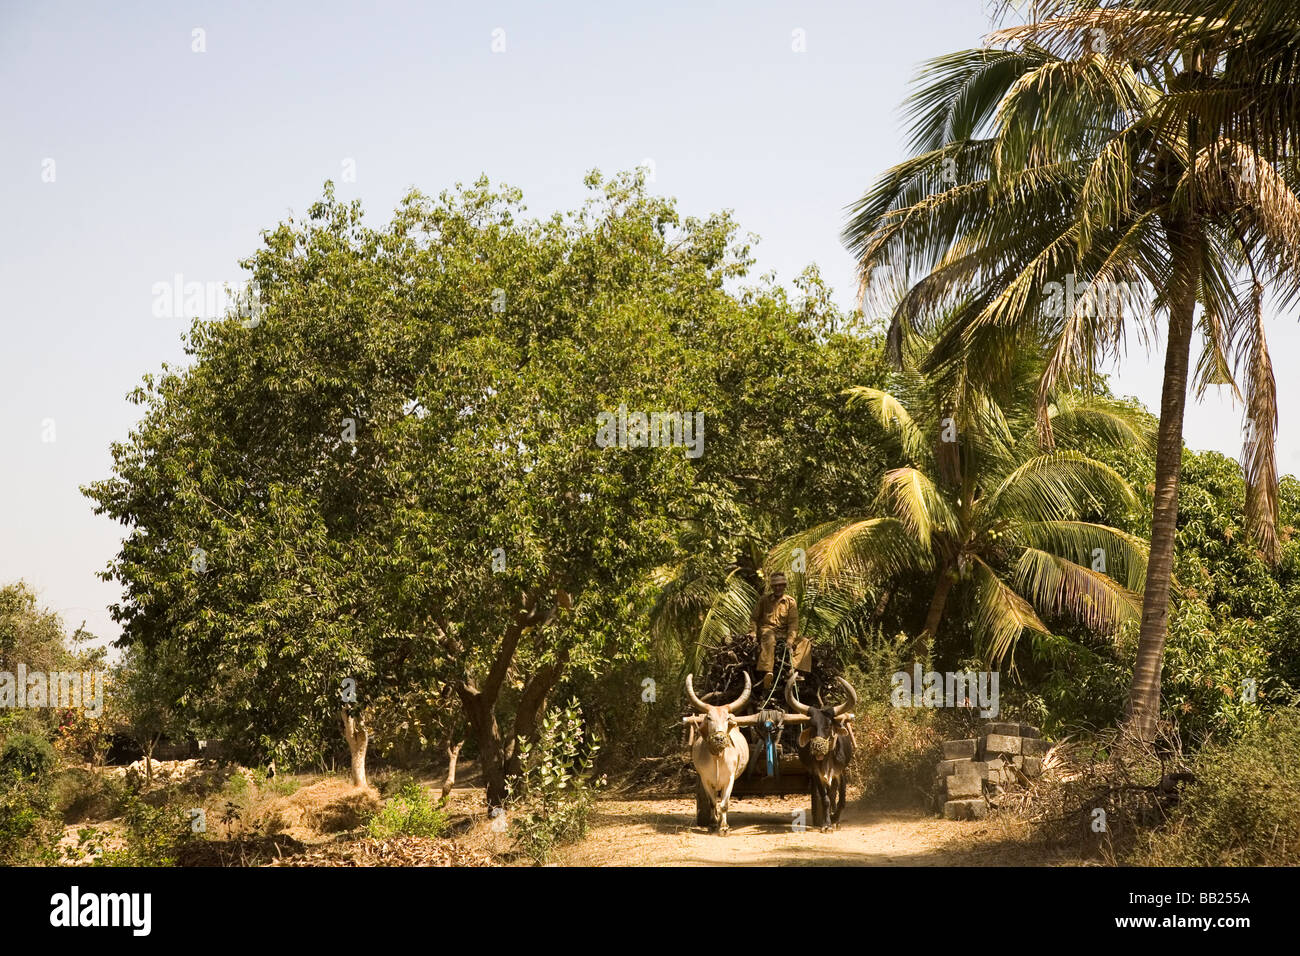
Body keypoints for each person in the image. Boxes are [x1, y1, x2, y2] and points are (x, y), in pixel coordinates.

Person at [750, 572, 808, 690]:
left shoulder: (790, 602)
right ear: (772, 587)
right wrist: (753, 632)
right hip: (768, 630)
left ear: (784, 586)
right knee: (769, 636)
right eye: (775, 585)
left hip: (784, 634)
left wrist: (790, 641)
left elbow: (793, 624)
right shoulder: (764, 600)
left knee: (805, 642)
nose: (778, 588)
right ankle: (768, 672)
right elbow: (754, 618)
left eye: (780, 585)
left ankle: (794, 671)